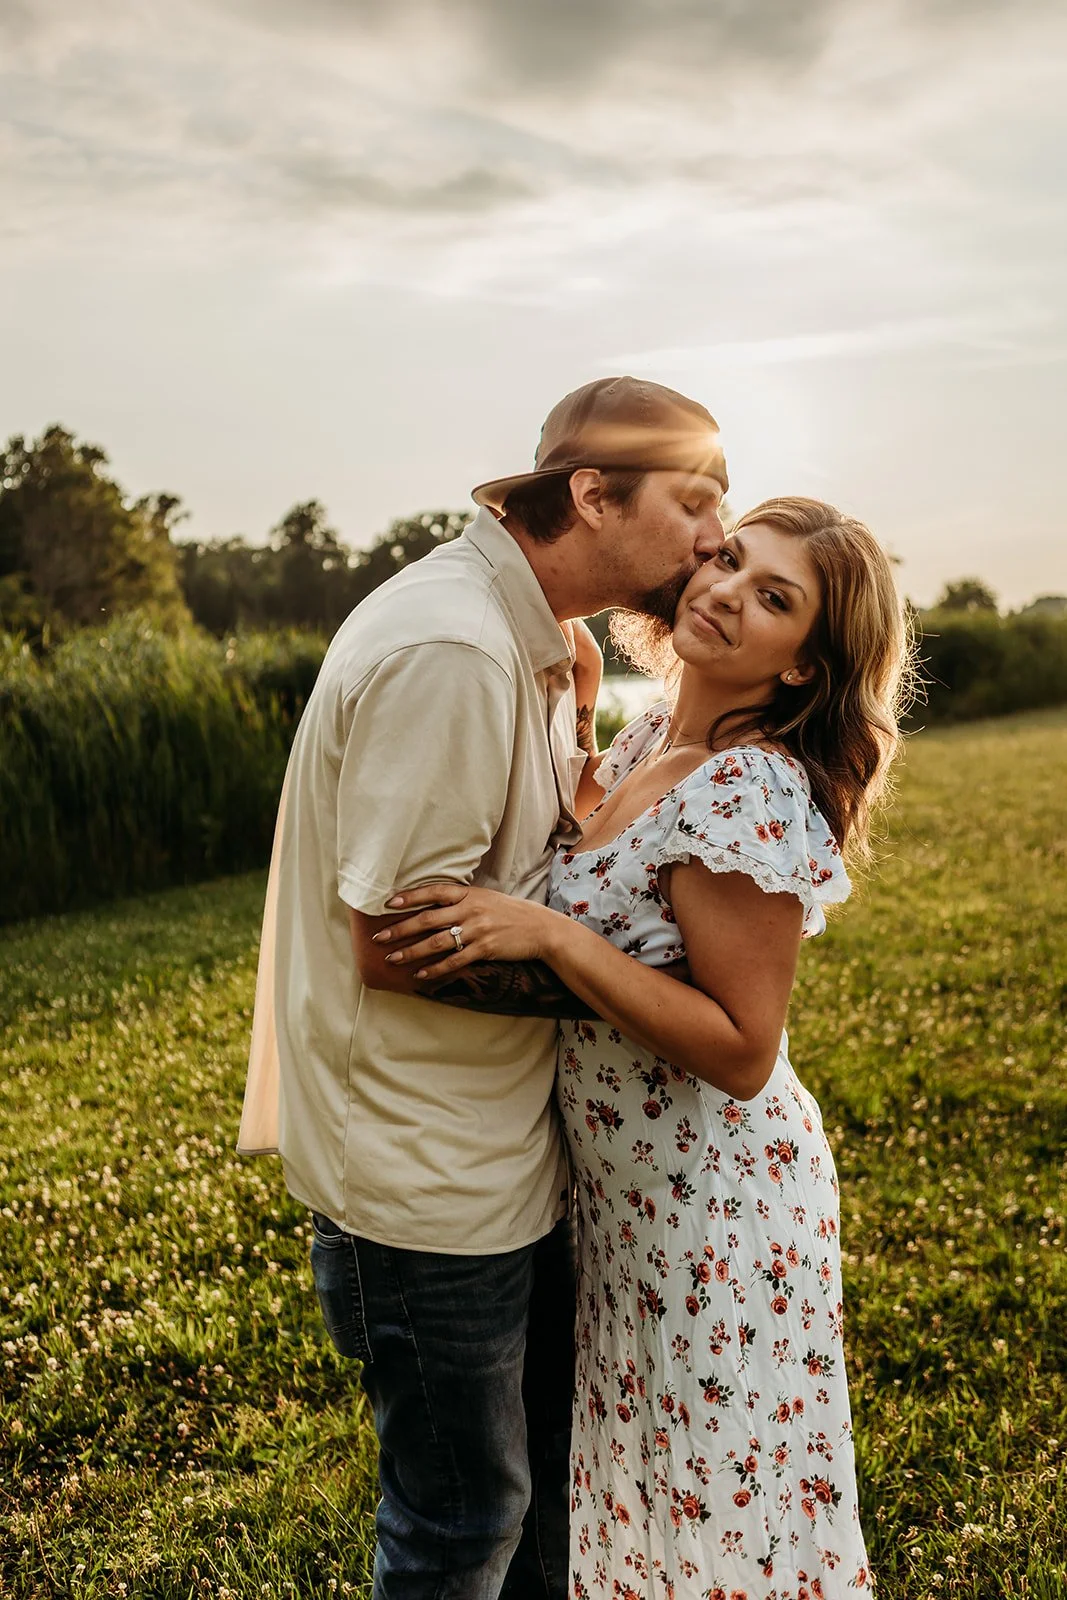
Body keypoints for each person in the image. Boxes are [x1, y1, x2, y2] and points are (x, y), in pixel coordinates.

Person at [237, 376, 731, 1600]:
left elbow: (516, 865)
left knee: (544, 1493)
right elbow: (393, 945)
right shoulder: (452, 649)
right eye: (695, 501)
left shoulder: (522, 639)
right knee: (464, 1518)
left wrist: (573, 715)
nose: (717, 538)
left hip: (498, 1149)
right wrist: (641, 991)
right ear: (591, 495)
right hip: (424, 1181)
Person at [378, 496, 911, 1598]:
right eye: (727, 560)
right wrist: (573, 702)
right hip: (633, 1204)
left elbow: (740, 1046)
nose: (721, 591)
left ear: (804, 667)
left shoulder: (748, 788)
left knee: (728, 1507)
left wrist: (554, 938)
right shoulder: (650, 739)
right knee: (652, 1491)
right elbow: (589, 840)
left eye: (773, 599)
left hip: (719, 1204)